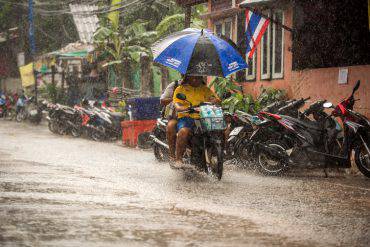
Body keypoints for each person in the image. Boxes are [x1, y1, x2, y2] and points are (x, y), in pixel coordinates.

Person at [173, 76, 220, 166]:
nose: (195, 79)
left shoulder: (205, 89)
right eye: (193, 77)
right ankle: (178, 159)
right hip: (186, 117)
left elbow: (215, 99)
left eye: (198, 78)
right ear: (188, 77)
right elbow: (177, 106)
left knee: (219, 129)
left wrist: (214, 101)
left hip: (204, 117)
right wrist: (187, 108)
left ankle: (219, 153)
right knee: (183, 132)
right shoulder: (180, 89)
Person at [160, 79, 183, 160]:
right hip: (176, 116)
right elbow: (162, 100)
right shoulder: (175, 85)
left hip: (196, 116)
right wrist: (175, 100)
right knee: (171, 126)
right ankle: (172, 155)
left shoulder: (202, 86)